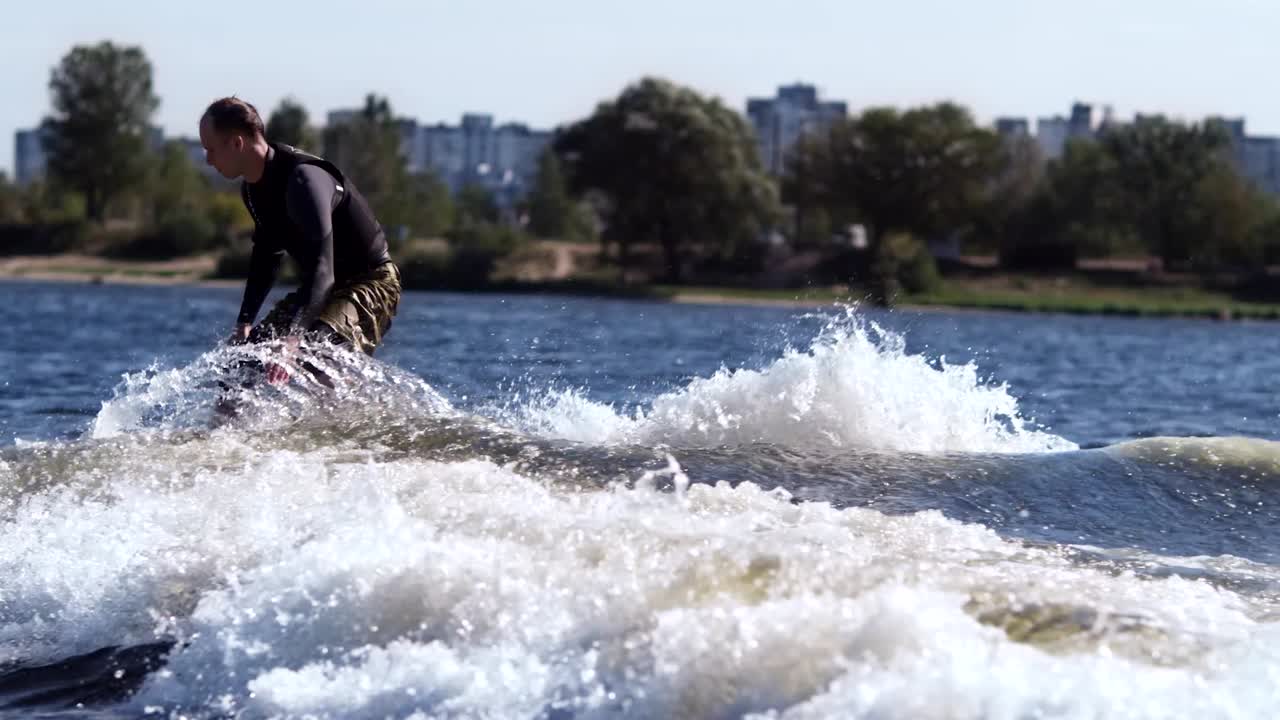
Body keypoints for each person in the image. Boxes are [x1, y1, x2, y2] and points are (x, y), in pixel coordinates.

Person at [198, 96, 401, 386]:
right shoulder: (253, 191)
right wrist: (245, 321)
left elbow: (323, 269)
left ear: (236, 144)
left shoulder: (303, 180)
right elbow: (267, 255)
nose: (208, 160)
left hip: (371, 282)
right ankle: (221, 432)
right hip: (321, 289)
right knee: (238, 368)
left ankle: (352, 426)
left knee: (313, 354)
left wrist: (293, 338)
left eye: (211, 149)